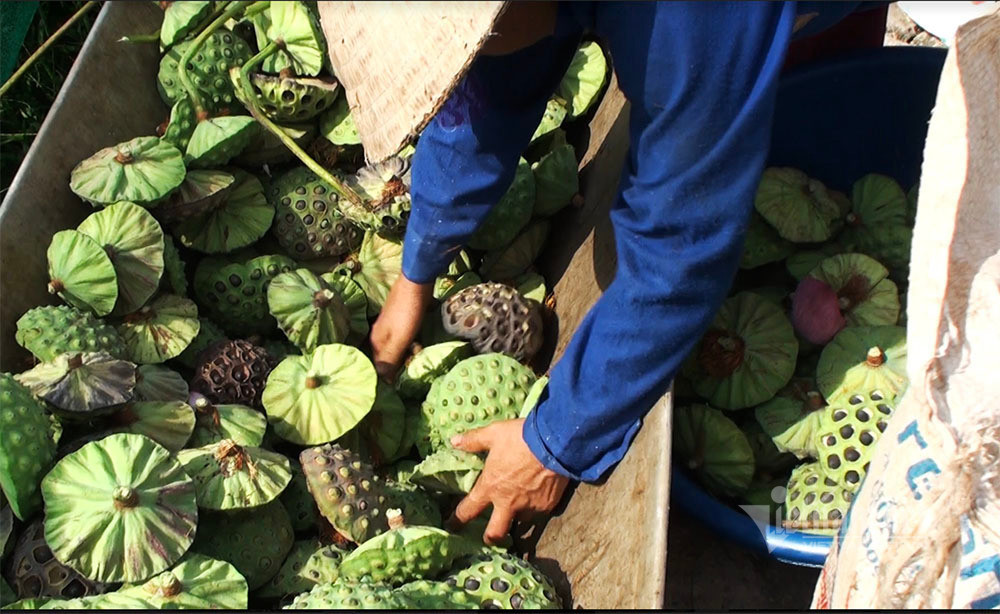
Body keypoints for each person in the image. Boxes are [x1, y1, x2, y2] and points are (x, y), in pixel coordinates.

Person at [369, 1, 888, 545]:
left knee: (804, 85)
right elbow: (493, 90)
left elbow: (679, 249)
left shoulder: (690, 24)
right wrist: (418, 265)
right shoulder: (505, 18)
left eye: (467, 39)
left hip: (724, 28)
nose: (462, 57)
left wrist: (554, 443)